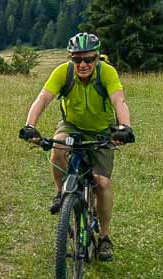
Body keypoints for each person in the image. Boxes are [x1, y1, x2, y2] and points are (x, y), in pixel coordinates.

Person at [19, 32, 134, 261]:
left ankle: (104, 238)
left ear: (97, 58)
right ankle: (60, 192)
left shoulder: (107, 73)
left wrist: (124, 127)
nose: (83, 64)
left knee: (102, 183)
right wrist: (30, 125)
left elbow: (119, 100)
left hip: (102, 131)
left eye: (89, 59)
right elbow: (42, 98)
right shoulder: (63, 72)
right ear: (70, 59)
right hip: (71, 125)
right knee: (57, 148)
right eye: (77, 59)